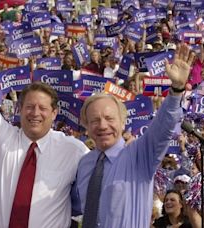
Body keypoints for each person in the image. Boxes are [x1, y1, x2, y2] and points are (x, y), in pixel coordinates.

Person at [0, 26, 89, 227]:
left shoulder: (74, 150)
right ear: (19, 109)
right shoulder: (1, 137)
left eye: (42, 108)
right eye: (29, 107)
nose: (35, 113)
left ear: (54, 113)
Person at [71, 43, 195, 227]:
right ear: (86, 126)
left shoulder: (139, 155)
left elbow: (162, 128)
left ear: (123, 122)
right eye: (95, 120)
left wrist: (176, 90)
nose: (102, 126)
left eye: (109, 118)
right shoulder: (84, 164)